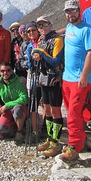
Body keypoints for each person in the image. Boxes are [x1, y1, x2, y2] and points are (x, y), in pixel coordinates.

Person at [60, 0, 91, 162]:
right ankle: (80, 133)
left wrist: (84, 75)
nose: (71, 14)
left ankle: (75, 145)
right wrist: (53, 32)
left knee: (73, 112)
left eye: (73, 11)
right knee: (70, 110)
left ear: (79, 11)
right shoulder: (69, 27)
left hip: (79, 79)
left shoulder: (87, 30)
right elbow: (66, 31)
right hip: (66, 77)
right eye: (68, 12)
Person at [32, 16, 64, 158]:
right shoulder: (41, 40)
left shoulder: (58, 40)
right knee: (47, 109)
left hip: (54, 79)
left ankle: (56, 142)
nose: (42, 28)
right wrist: (36, 56)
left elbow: (55, 60)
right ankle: (50, 139)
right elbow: (42, 58)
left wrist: (41, 53)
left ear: (50, 25)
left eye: (45, 24)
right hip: (44, 78)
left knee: (55, 110)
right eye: (40, 26)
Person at [0, 62, 28, 141]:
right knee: (1, 128)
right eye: (2, 71)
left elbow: (24, 98)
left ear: (11, 71)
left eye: (8, 70)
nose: (5, 73)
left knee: (17, 109)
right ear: (0, 72)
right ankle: (13, 128)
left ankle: (19, 132)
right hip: (7, 110)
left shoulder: (19, 81)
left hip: (20, 108)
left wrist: (7, 105)